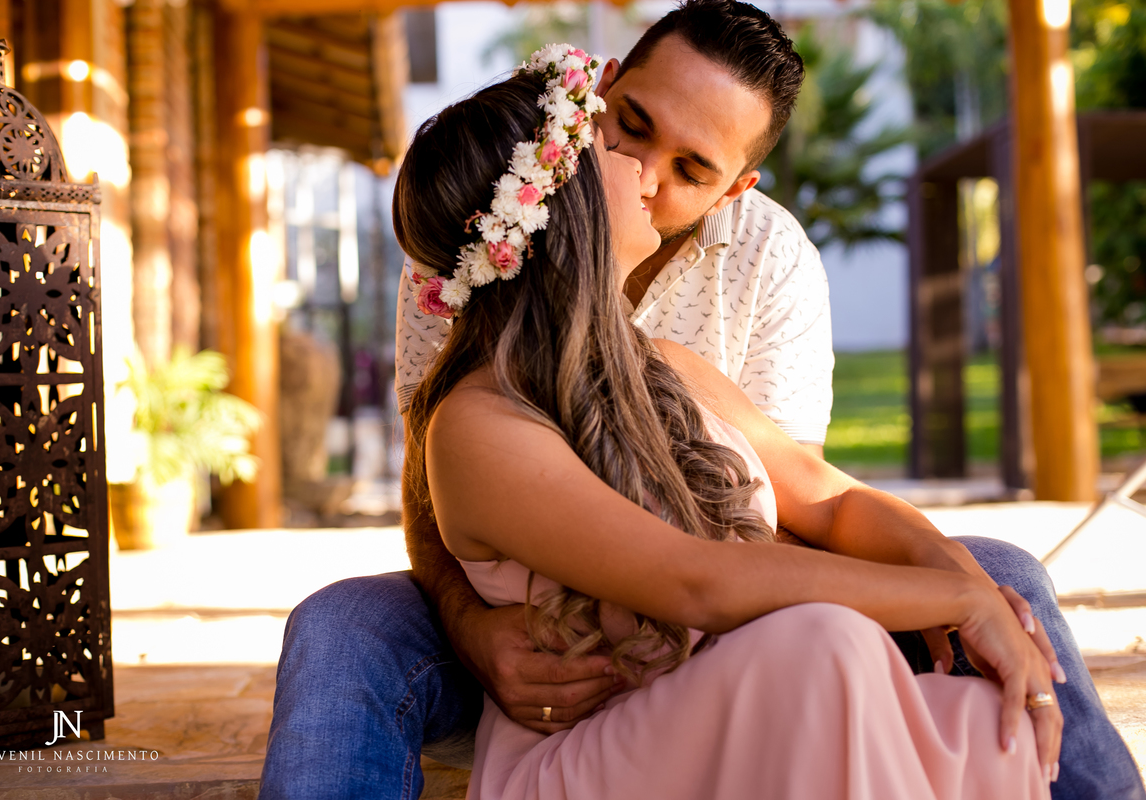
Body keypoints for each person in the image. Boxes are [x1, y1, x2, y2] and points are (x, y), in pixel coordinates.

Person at [259, 4, 1146, 799]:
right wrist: (472, 627)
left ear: (733, 189)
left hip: (727, 621)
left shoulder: (736, 292)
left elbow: (810, 509)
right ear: (585, 124)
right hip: (573, 643)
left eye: (689, 167)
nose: (644, 171)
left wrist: (964, 591)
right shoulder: (477, 261)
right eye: (626, 133)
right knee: (342, 626)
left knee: (997, 581)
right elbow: (454, 495)